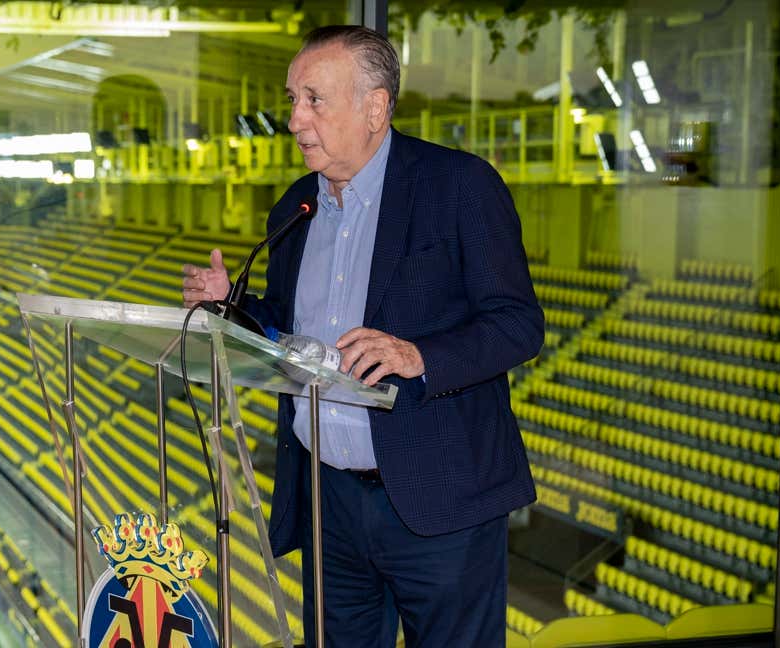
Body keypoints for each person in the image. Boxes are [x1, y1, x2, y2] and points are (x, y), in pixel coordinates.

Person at [181, 25, 544, 647]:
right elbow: (288, 331)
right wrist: (231, 305)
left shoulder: (459, 186)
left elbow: (517, 323)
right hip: (330, 505)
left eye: (314, 99)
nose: (295, 119)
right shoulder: (294, 207)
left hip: (441, 505)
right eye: (293, 98)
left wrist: (418, 356)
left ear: (375, 107)